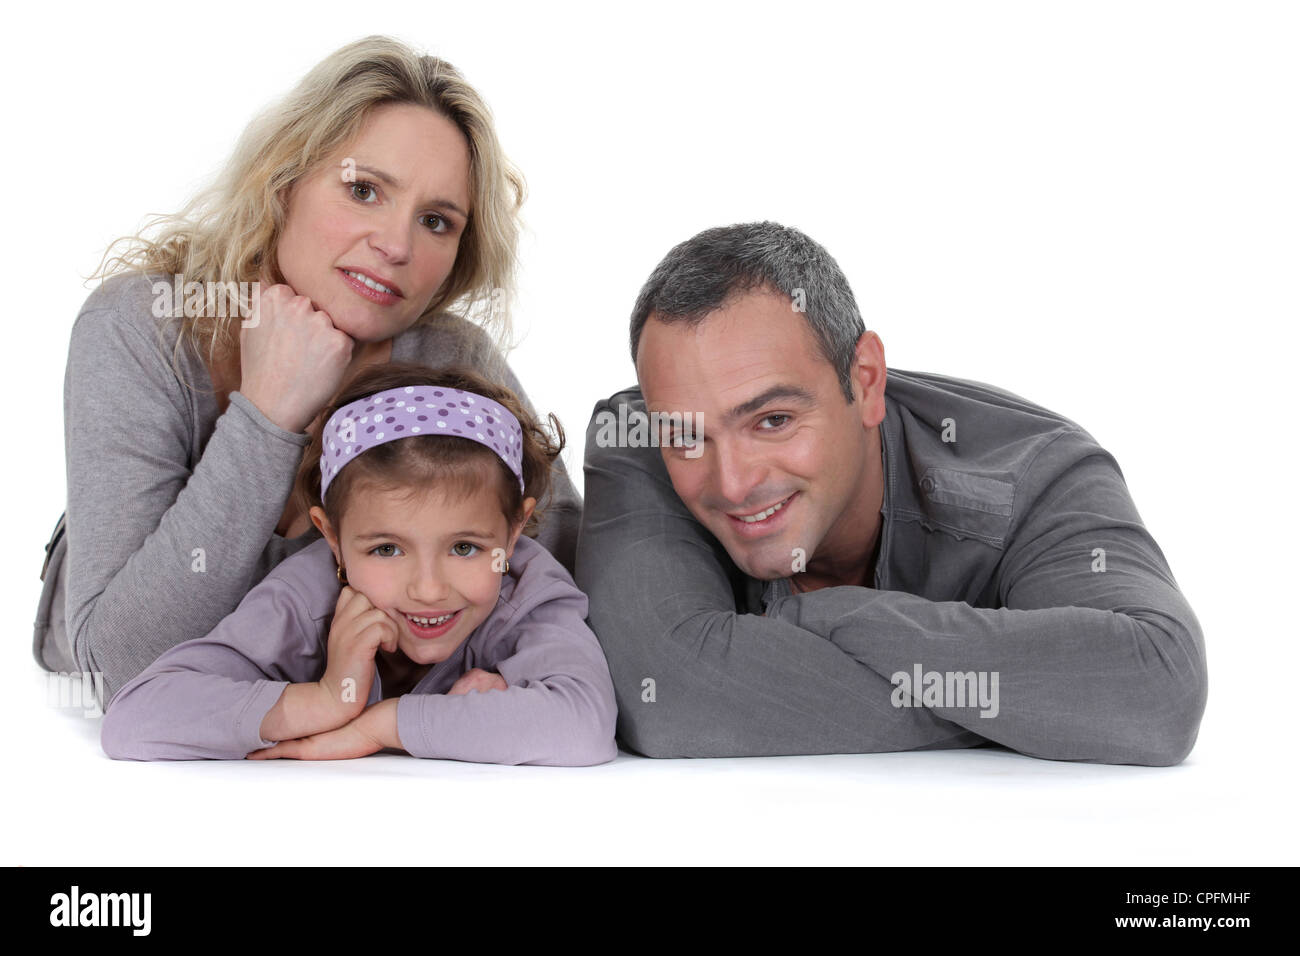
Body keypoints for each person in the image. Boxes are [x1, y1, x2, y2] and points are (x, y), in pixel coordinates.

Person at [34, 36, 580, 710]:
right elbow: (122, 670)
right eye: (363, 189)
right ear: (283, 180)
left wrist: (518, 669)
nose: (396, 245)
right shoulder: (143, 328)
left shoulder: (449, 360)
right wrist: (267, 417)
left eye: (436, 220)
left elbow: (565, 577)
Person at [576, 221, 1207, 766]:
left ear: (867, 380)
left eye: (773, 421)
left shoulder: (1038, 474)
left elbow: (1156, 685)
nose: (734, 482)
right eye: (686, 437)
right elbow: (667, 690)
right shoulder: (635, 439)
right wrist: (1028, 705)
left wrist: (820, 619)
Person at [100, 363, 617, 766]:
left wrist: (384, 724)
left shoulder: (528, 592)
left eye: (464, 548)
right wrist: (325, 701)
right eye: (387, 549)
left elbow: (584, 724)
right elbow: (134, 717)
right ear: (332, 539)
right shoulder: (306, 597)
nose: (429, 589)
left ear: (513, 532)